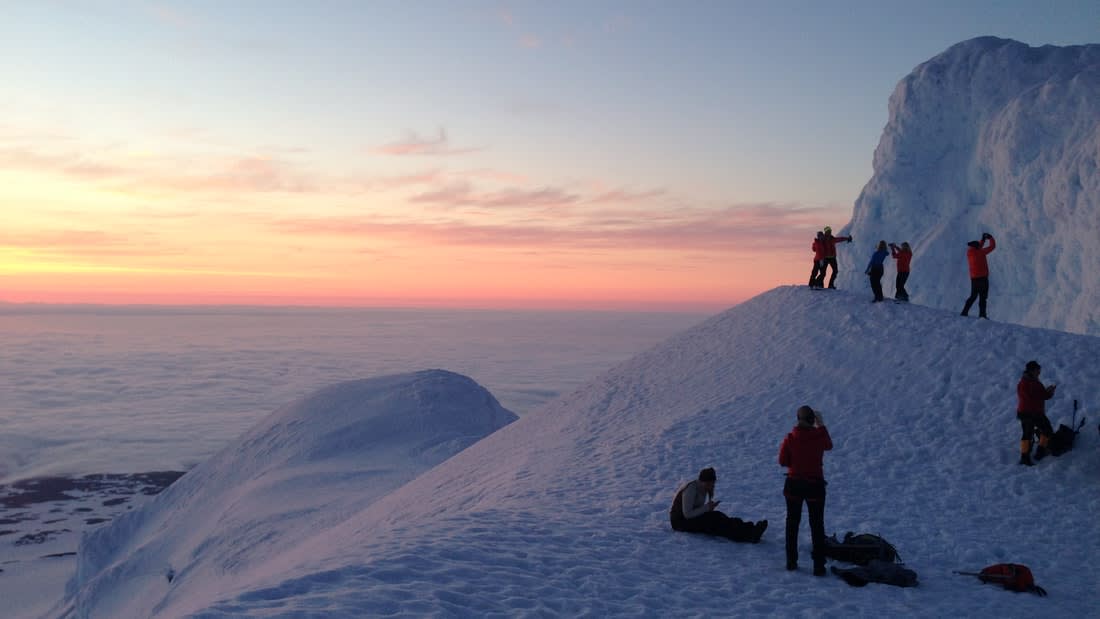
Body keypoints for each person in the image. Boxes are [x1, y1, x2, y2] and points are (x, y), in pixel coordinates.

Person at [778, 406, 833, 575]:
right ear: (812, 420)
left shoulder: (790, 438)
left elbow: (782, 461)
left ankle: (791, 562)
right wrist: (821, 425)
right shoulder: (819, 437)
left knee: (792, 523)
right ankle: (818, 566)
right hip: (815, 486)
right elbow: (829, 446)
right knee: (817, 525)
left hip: (794, 484)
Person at [669, 467, 768, 543]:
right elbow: (687, 514)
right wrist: (707, 508)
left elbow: (697, 510)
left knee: (718, 516)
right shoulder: (691, 488)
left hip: (687, 520)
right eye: (709, 484)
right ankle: (747, 535)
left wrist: (708, 509)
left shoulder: (702, 489)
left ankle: (750, 529)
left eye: (712, 484)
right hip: (680, 523)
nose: (711, 486)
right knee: (715, 521)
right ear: (703, 481)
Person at [1016, 360, 1057, 466]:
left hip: (1023, 413)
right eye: (1038, 370)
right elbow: (1041, 396)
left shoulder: (1022, 382)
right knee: (1047, 430)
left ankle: (1025, 457)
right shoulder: (1033, 383)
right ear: (1033, 370)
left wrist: (1045, 392)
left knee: (1027, 434)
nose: (1039, 372)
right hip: (1034, 413)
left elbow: (1035, 396)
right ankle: (1040, 451)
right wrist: (1049, 392)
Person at [960, 232, 996, 318]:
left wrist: (983, 240)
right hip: (983, 279)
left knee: (973, 296)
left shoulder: (970, 253)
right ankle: (982, 315)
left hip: (974, 279)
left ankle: (964, 312)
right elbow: (992, 246)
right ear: (977, 247)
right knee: (983, 298)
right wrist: (990, 238)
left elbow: (978, 246)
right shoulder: (981, 252)